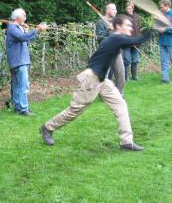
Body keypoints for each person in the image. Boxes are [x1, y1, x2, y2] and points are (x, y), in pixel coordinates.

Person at [40, 14, 152, 151]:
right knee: (74, 110)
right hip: (91, 79)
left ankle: (126, 142)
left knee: (120, 105)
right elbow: (138, 40)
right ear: (118, 27)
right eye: (127, 25)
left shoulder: (115, 38)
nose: (130, 27)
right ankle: (47, 128)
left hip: (102, 80)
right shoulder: (116, 38)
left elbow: (134, 40)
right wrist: (155, 29)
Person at [5, 8, 47, 116]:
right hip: (18, 61)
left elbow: (25, 41)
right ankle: (23, 109)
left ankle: (18, 107)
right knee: (22, 85)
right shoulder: (12, 28)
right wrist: (37, 29)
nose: (25, 17)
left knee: (17, 85)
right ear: (17, 17)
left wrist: (28, 31)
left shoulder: (17, 28)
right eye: (23, 15)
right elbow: (22, 38)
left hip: (19, 61)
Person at [95, 3, 125, 94]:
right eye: (113, 9)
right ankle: (103, 94)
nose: (115, 11)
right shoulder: (100, 22)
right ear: (107, 10)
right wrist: (108, 29)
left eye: (116, 9)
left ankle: (119, 93)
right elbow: (99, 38)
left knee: (121, 74)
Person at [123, 1, 141, 81]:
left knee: (135, 60)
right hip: (127, 43)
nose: (128, 10)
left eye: (130, 8)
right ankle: (126, 77)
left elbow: (138, 29)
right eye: (127, 8)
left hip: (136, 43)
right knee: (127, 60)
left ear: (133, 8)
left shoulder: (137, 16)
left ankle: (134, 76)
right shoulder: (123, 18)